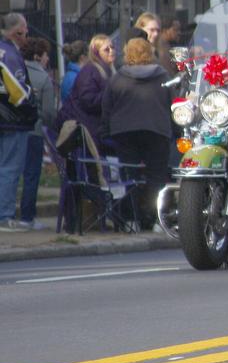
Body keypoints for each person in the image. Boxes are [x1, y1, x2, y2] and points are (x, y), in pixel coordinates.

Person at [101, 37, 172, 230]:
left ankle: (131, 219)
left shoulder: (118, 78)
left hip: (125, 132)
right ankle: (156, 219)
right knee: (157, 177)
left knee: (128, 176)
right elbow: (173, 104)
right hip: (157, 130)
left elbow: (106, 108)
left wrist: (106, 131)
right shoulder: (163, 76)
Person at [18, 37, 58, 230]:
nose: (47, 60)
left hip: (11, 130)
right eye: (45, 56)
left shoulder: (13, 69)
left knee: (8, 171)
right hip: (33, 131)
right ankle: (27, 216)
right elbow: (50, 113)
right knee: (31, 175)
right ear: (37, 56)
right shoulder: (43, 78)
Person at [0, 13, 32, 232]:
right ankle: (5, 215)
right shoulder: (10, 54)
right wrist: (31, 93)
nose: (27, 34)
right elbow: (18, 93)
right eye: (25, 30)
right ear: (17, 31)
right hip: (12, 120)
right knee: (10, 169)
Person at [56, 34, 116, 145]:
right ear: (96, 52)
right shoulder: (90, 71)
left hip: (95, 128)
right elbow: (88, 100)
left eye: (113, 47)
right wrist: (111, 94)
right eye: (107, 49)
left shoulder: (108, 71)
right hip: (86, 130)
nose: (111, 51)